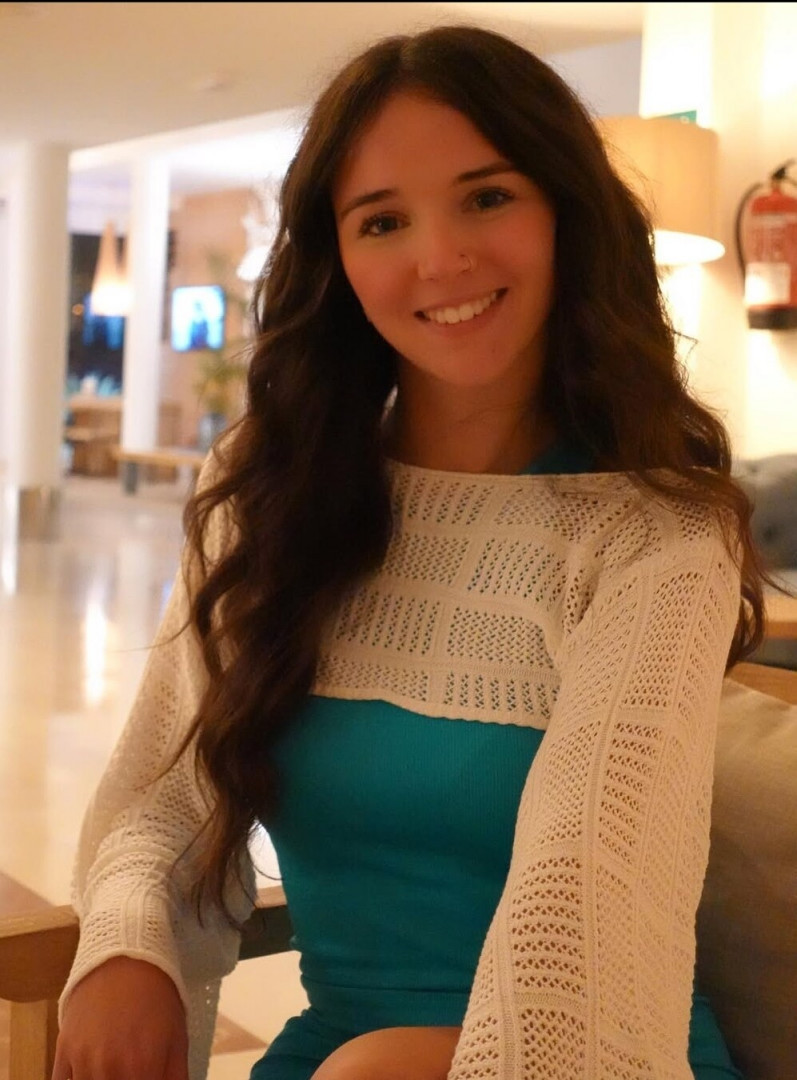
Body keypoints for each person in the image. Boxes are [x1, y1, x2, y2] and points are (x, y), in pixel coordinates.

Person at [53, 24, 771, 1080]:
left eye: (487, 197)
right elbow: (163, 788)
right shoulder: (267, 489)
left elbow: (594, 916)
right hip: (342, 1054)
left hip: (581, 1050)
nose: (439, 258)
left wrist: (387, 1065)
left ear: (566, 214)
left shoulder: (653, 534)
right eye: (382, 220)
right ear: (336, 259)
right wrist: (127, 948)